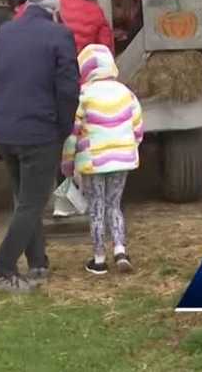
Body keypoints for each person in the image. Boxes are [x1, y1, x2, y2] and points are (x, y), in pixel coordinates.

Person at [0, 0, 79, 293]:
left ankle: (38, 263)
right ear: (53, 12)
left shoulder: (2, 35)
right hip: (40, 132)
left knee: (25, 201)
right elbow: (68, 90)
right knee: (32, 203)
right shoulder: (59, 35)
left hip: (6, 132)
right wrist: (64, 129)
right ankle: (2, 271)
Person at [61, 44, 143, 275]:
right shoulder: (127, 93)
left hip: (94, 161)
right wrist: (130, 147)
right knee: (114, 205)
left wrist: (67, 164)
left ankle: (99, 259)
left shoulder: (84, 96)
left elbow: (72, 134)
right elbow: (137, 127)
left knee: (97, 206)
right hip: (122, 158)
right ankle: (120, 250)